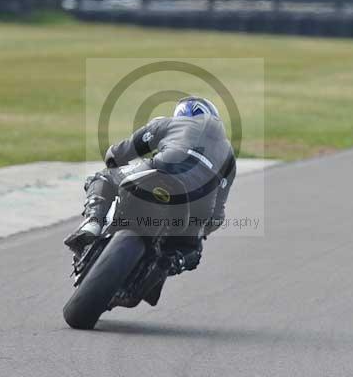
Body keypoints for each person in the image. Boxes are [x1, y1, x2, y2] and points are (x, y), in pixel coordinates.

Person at [65, 96, 236, 274]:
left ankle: (92, 223)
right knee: (191, 250)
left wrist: (116, 164)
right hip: (200, 202)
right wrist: (201, 231)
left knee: (102, 178)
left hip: (162, 170)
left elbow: (116, 155)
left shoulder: (167, 124)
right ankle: (169, 264)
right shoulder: (229, 156)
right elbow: (217, 216)